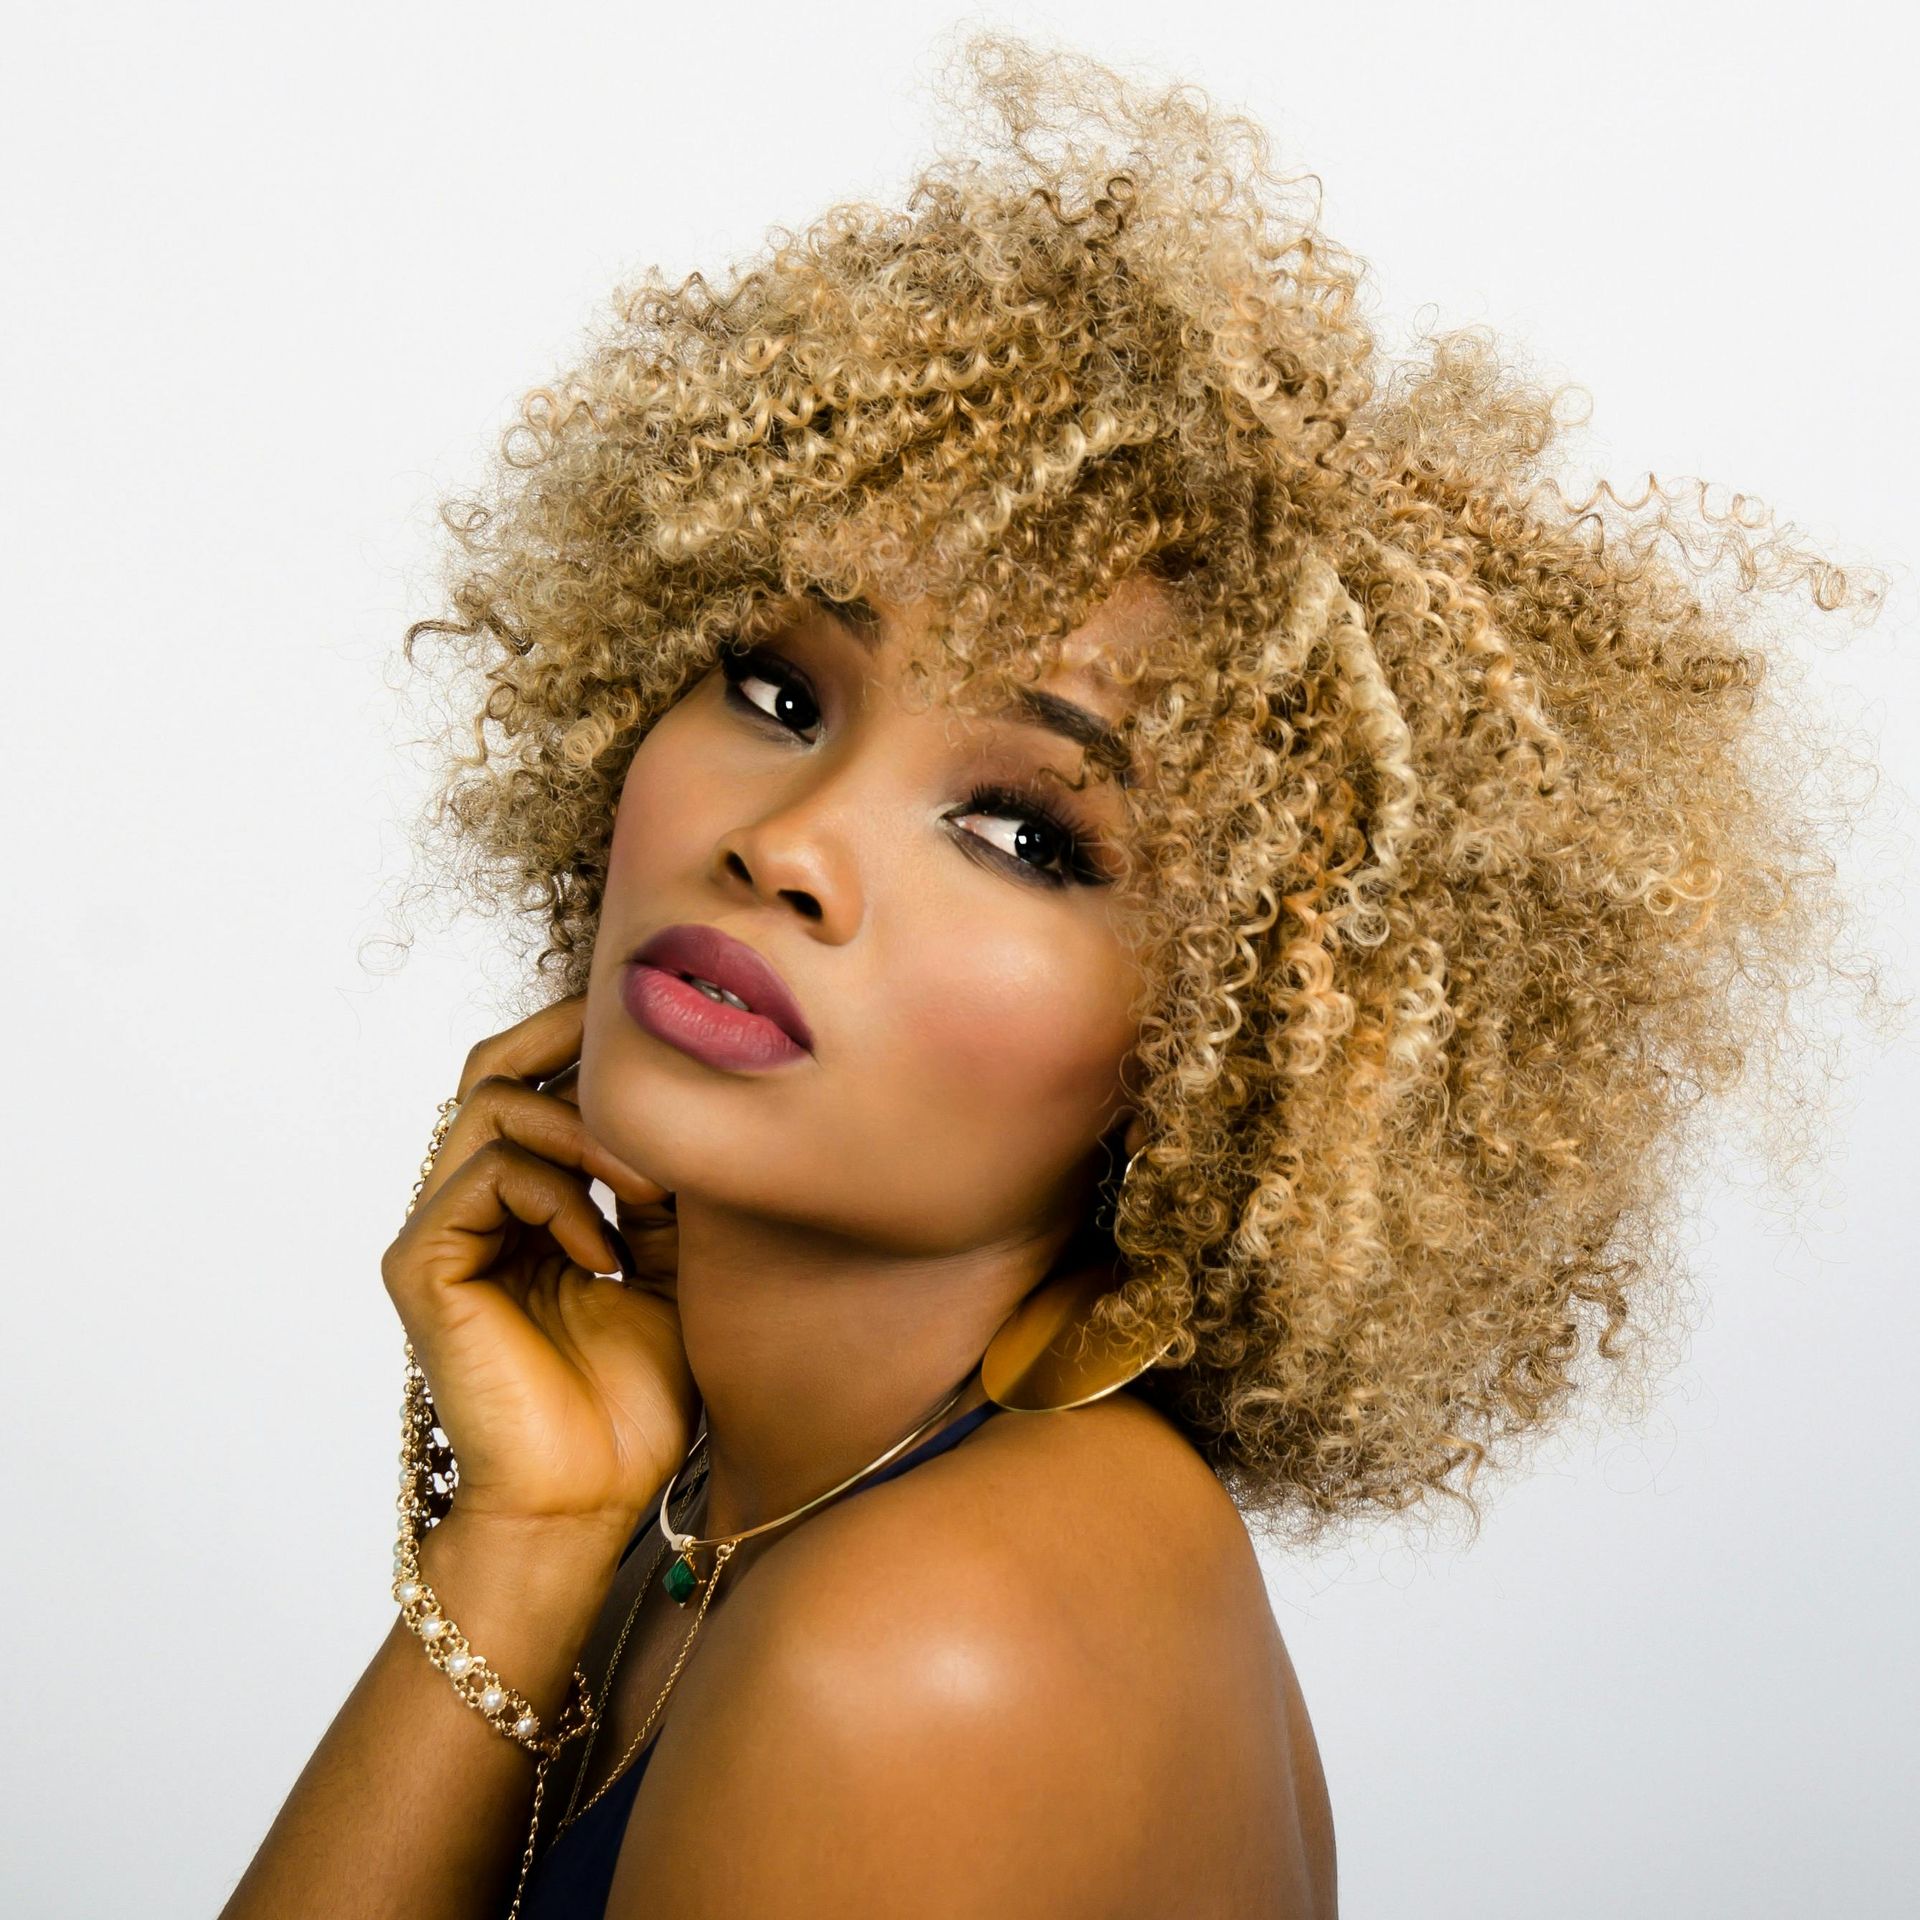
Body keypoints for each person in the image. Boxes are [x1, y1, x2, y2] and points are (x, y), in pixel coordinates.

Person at [218, 28, 1881, 1920]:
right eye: (779, 690)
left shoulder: (933, 1643)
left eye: (1025, 831)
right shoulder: (733, 1501)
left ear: (1242, 1056)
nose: (790, 842)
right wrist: (534, 1532)